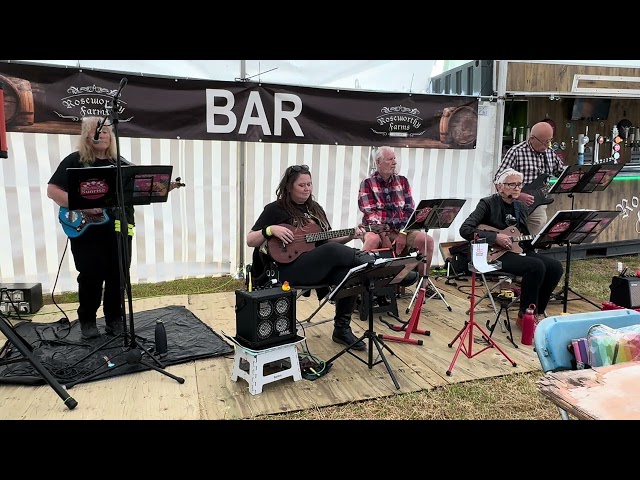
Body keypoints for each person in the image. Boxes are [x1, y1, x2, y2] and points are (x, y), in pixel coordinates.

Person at [247, 164, 371, 351]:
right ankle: (374, 262)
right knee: (331, 250)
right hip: (288, 269)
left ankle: (341, 329)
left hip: (316, 267)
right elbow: (250, 240)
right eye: (302, 185)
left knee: (350, 273)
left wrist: (351, 235)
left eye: (309, 184)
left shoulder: (315, 209)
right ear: (289, 187)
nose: (307, 189)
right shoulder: (275, 209)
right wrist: (270, 229)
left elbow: (328, 239)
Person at [47, 116, 134, 339]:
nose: (101, 134)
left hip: (119, 228)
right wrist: (83, 206)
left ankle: (115, 318)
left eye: (105, 131)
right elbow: (53, 190)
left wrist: (162, 187)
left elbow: (137, 189)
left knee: (119, 275)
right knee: (91, 275)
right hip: (87, 231)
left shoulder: (121, 163)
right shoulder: (74, 160)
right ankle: (87, 320)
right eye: (96, 131)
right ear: (86, 135)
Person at [459, 168, 564, 325]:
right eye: (511, 184)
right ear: (499, 186)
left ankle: (538, 312)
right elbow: (465, 229)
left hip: (516, 249)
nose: (516, 188)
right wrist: (495, 237)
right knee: (535, 266)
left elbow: (524, 238)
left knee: (555, 266)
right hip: (492, 252)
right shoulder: (487, 203)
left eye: (519, 185)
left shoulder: (520, 207)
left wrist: (543, 240)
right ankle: (525, 315)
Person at [358, 146, 434, 278]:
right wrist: (385, 237)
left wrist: (403, 233)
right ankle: (360, 282)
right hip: (376, 230)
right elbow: (370, 214)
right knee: (372, 240)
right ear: (378, 162)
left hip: (401, 229)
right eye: (389, 159)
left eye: (394, 159)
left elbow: (410, 210)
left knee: (427, 241)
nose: (394, 162)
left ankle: (423, 284)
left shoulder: (403, 181)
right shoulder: (367, 183)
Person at [495, 121, 565, 235]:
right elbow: (498, 180)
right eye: (544, 142)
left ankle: (529, 249)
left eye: (549, 141)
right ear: (532, 138)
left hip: (539, 203)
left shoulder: (550, 153)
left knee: (538, 224)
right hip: (515, 203)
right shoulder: (516, 152)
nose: (547, 145)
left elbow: (561, 174)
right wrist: (518, 195)